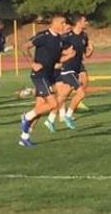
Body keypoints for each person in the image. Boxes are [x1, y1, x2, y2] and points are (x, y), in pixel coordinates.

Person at [18, 15, 74, 147]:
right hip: (39, 75)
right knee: (53, 104)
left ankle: (24, 137)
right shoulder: (43, 35)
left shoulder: (60, 40)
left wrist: (68, 57)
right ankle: (26, 117)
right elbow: (24, 47)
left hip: (49, 76)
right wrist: (32, 63)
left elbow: (55, 59)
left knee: (40, 108)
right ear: (54, 24)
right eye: (62, 23)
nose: (64, 25)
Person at [54, 15, 93, 129]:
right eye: (85, 21)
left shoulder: (84, 36)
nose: (87, 23)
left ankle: (53, 118)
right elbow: (56, 52)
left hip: (77, 67)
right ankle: (66, 115)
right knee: (77, 93)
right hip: (66, 68)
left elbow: (86, 54)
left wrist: (91, 49)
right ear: (78, 23)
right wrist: (66, 54)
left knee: (65, 93)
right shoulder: (66, 37)